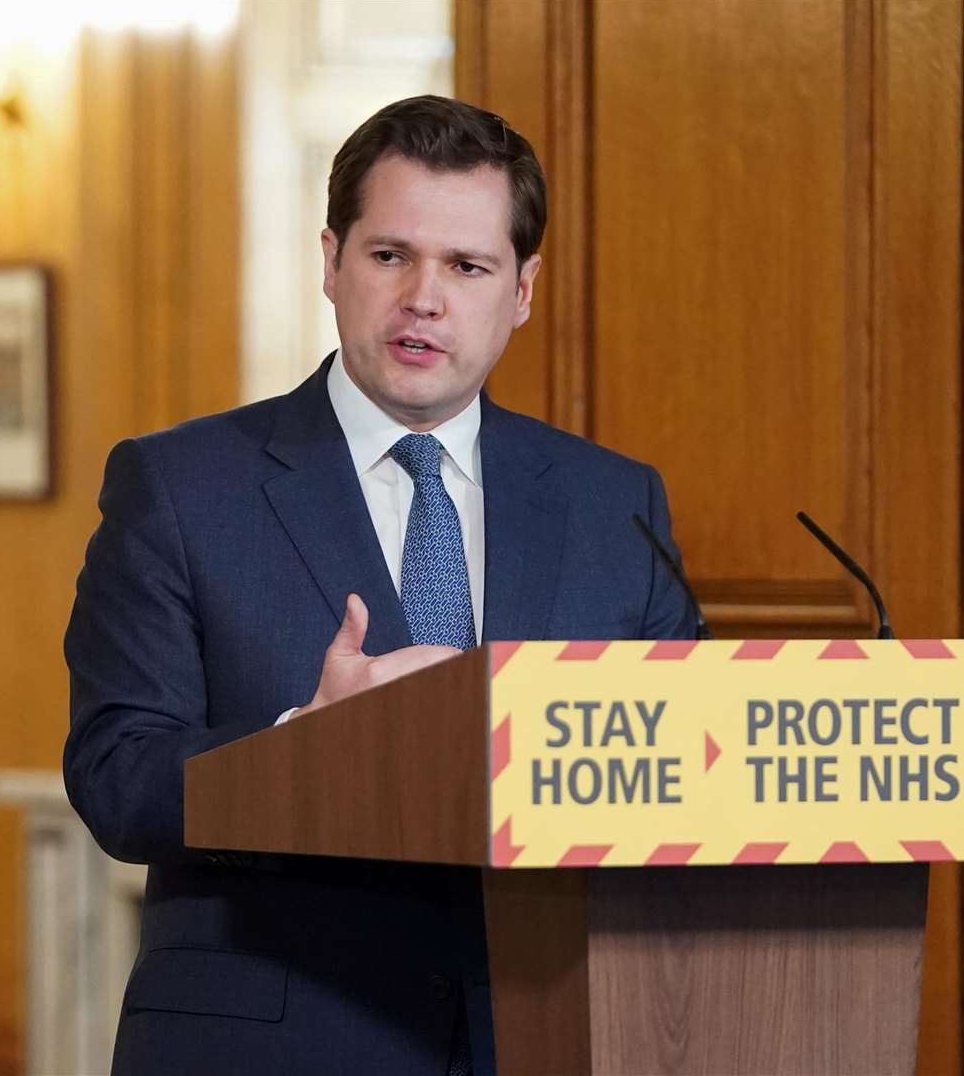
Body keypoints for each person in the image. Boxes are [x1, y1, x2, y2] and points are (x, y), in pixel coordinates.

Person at [64, 94, 697, 1076]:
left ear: (523, 289)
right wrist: (302, 749)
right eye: (390, 255)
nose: (424, 299)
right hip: (278, 1045)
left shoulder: (614, 506)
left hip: (552, 1036)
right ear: (331, 261)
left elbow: (683, 775)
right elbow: (115, 780)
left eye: (468, 266)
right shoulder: (182, 489)